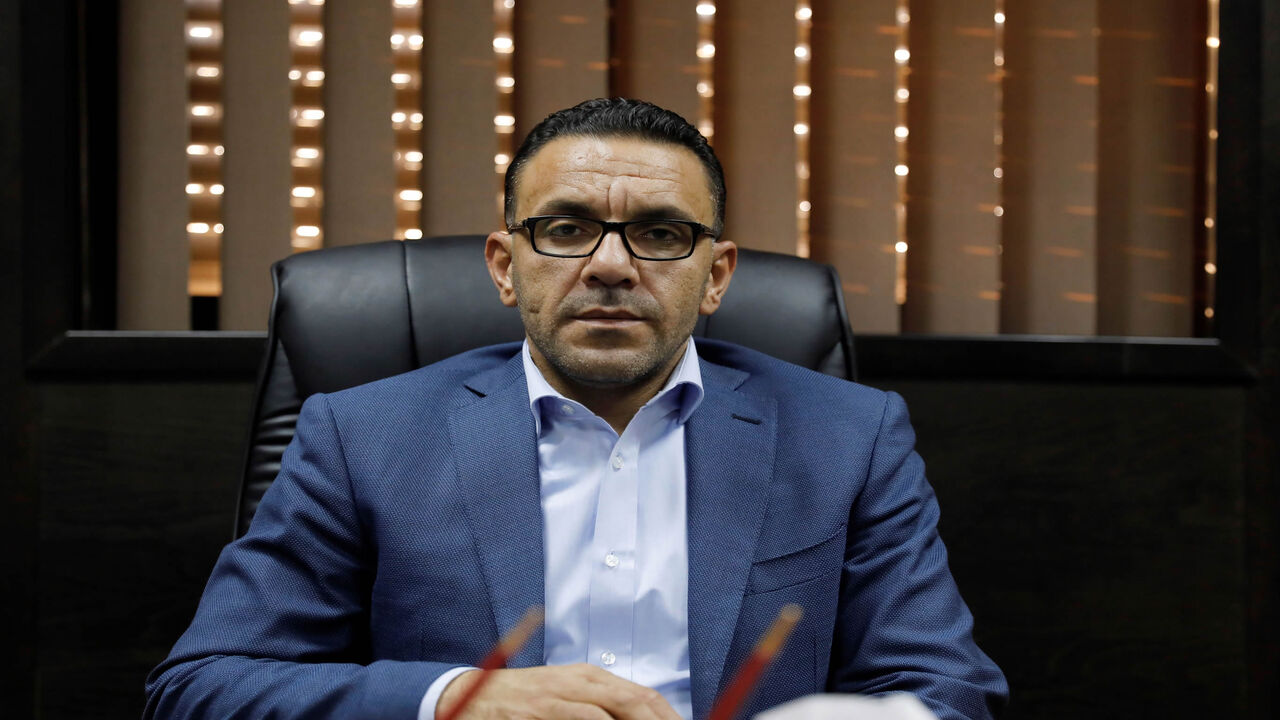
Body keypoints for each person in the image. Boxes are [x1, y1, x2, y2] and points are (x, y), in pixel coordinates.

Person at [145, 98, 1007, 720]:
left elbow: (949, 690)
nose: (609, 265)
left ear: (716, 276)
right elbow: (203, 686)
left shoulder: (848, 439)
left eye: (661, 234)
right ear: (504, 264)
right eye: (564, 229)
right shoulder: (363, 436)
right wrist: (455, 702)